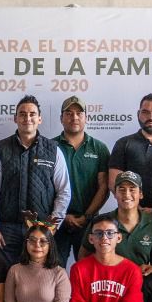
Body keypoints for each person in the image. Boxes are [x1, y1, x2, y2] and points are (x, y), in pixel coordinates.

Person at [0, 95, 71, 265]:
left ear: (39, 119)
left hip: (41, 229)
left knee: (39, 280)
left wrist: (53, 225)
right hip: (7, 229)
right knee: (7, 278)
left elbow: (64, 191)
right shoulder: (1, 149)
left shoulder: (53, 150)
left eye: (32, 114)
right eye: (22, 114)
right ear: (15, 118)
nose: (27, 118)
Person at [55, 97, 109, 265]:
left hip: (89, 223)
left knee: (89, 272)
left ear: (86, 117)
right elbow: (44, 187)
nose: (74, 117)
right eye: (69, 113)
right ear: (61, 118)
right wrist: (62, 215)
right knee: (53, 271)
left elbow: (104, 187)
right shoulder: (49, 146)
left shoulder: (99, 148)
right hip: (57, 222)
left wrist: (86, 217)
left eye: (79, 113)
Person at [100, 171, 152, 272]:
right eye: (121, 189)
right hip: (108, 284)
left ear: (140, 194)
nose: (126, 194)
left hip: (141, 283)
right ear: (115, 193)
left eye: (132, 189)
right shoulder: (101, 222)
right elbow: (84, 257)